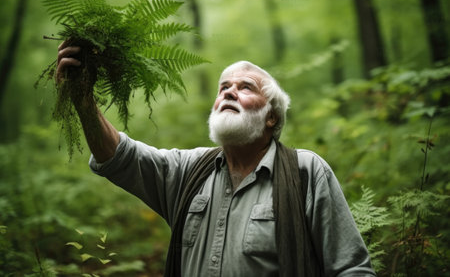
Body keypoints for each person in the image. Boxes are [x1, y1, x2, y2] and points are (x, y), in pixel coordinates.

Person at [57, 41, 376, 277]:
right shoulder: (187, 171)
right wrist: (83, 99)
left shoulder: (305, 172)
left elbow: (351, 269)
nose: (228, 92)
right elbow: (118, 156)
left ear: (271, 117)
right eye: (223, 87)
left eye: (245, 87)